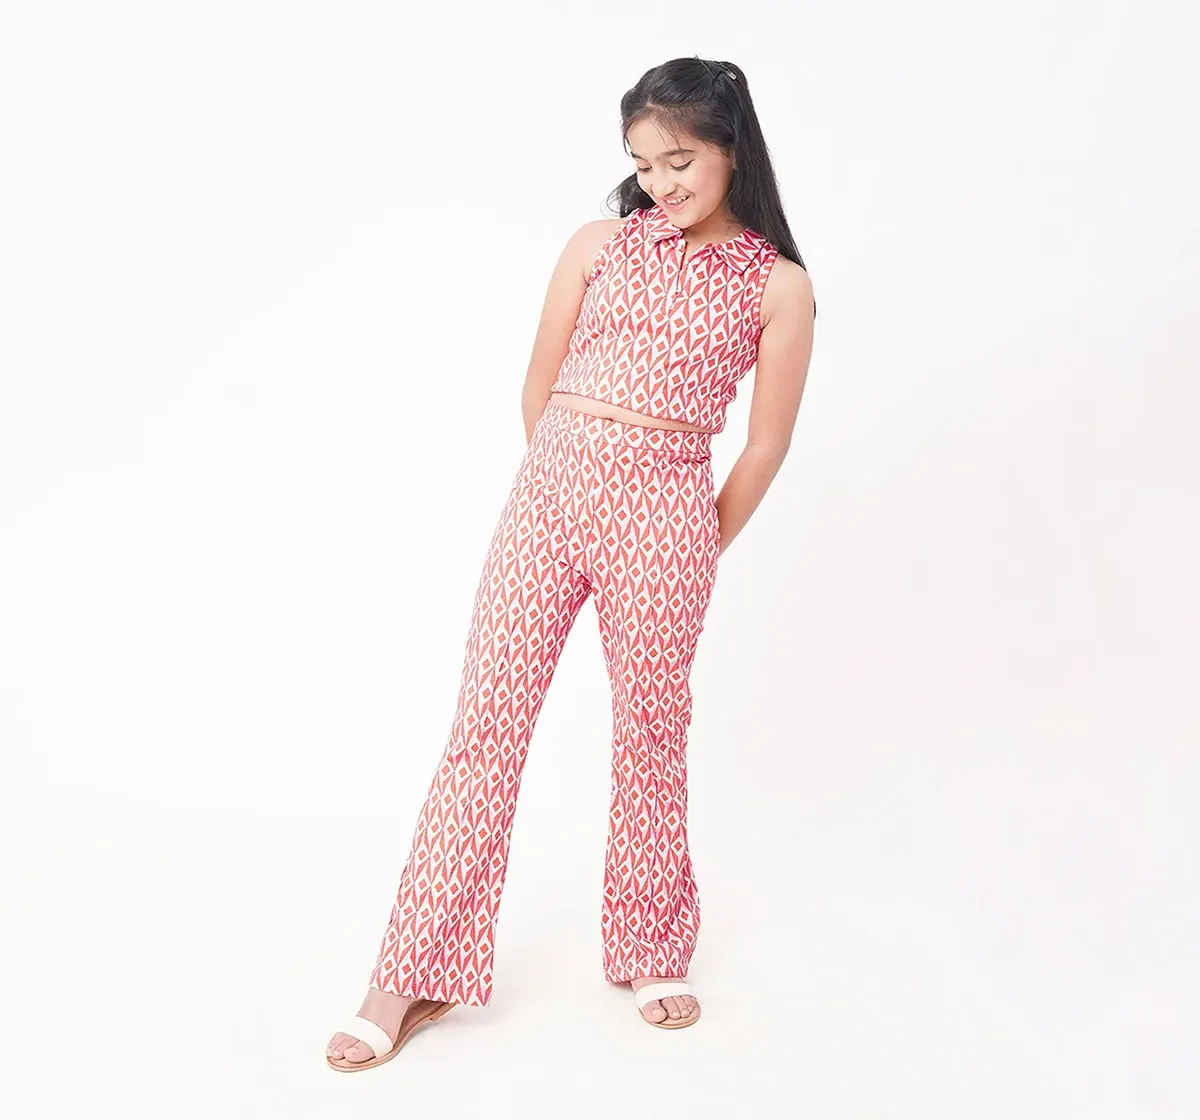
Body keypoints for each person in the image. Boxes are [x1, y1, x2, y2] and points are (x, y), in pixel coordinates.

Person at [326, 54, 815, 1071]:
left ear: (731, 150)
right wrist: (563, 484)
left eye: (679, 160)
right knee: (484, 728)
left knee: (651, 733)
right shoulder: (598, 245)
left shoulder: (778, 285)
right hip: (549, 501)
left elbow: (765, 446)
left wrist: (693, 541)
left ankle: (651, 947)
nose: (660, 183)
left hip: (668, 521)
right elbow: (539, 384)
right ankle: (411, 971)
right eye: (642, 164)